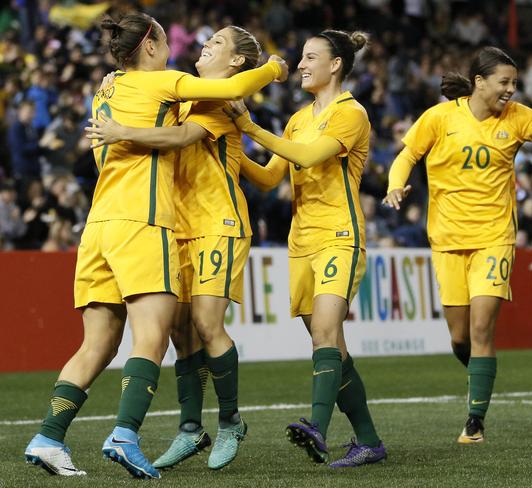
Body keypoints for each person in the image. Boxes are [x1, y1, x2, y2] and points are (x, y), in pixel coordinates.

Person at [24, 12, 286, 479]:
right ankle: (131, 434)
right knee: (157, 335)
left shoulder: (112, 89)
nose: (196, 45)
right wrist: (274, 69)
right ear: (149, 47)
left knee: (109, 341)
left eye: (215, 42)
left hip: (110, 224)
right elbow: (200, 112)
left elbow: (198, 134)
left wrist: (266, 135)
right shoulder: (169, 87)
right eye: (167, 39)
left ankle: (50, 436)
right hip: (145, 223)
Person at [383, 46, 532, 444]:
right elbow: (406, 155)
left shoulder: (519, 118)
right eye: (504, 82)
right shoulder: (440, 117)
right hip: (448, 240)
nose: (511, 90)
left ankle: (475, 421)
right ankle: (479, 376)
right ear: (479, 82)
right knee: (459, 337)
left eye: (515, 84)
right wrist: (395, 184)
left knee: (482, 325)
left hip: (494, 237)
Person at [84, 25, 270, 472]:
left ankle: (230, 422)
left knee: (207, 322)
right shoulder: (181, 94)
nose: (205, 44)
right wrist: (115, 79)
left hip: (217, 223)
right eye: (206, 40)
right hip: (176, 225)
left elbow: (181, 139)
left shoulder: (216, 101)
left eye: (217, 43)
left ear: (238, 63)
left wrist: (121, 129)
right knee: (180, 333)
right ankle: (190, 428)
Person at [225, 30, 387, 467]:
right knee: (336, 347)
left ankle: (317, 425)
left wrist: (248, 125)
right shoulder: (297, 119)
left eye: (310, 57)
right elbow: (268, 177)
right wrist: (224, 147)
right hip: (301, 243)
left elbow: (310, 157)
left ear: (336, 65)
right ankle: (369, 440)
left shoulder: (350, 113)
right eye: (301, 57)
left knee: (324, 334)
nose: (300, 64)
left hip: (339, 235)